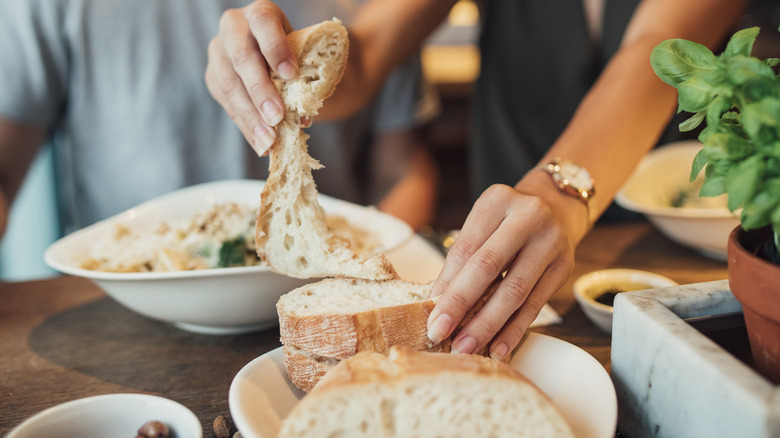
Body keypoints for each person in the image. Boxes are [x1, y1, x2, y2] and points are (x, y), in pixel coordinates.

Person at [205, 0, 748, 360]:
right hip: (496, 252)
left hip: (664, 248)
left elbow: (658, 50)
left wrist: (556, 195)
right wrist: (276, 60)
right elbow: (366, 55)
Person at [0, 0, 437, 250]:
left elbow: (401, 171)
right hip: (125, 302)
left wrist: (384, 265)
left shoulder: (380, 10)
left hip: (320, 274)